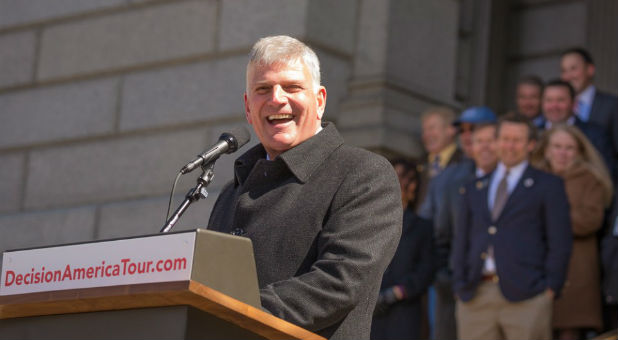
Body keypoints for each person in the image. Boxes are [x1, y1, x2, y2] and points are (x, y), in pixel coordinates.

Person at [207, 35, 403, 340]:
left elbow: (340, 281)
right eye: (263, 89)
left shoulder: (363, 174)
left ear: (320, 101)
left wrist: (232, 312)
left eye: (292, 87)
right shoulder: (232, 190)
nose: (277, 99)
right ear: (248, 107)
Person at [452, 113, 572, 340]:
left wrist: (549, 289)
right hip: (475, 294)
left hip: (528, 296)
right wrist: (459, 284)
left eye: (517, 140)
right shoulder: (474, 187)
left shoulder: (548, 185)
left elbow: (560, 242)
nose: (509, 145)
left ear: (531, 145)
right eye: (505, 138)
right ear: (496, 142)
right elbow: (462, 240)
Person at [418, 107, 498, 340]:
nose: (467, 135)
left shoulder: (510, 177)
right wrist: (443, 275)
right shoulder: (445, 179)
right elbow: (430, 231)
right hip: (450, 282)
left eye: (474, 129)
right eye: (463, 130)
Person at [531, 124, 613, 340]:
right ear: (546, 149)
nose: (562, 153)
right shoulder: (532, 177)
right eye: (557, 146)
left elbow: (590, 220)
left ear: (579, 152)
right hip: (537, 266)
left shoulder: (590, 178)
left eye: (569, 148)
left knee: (570, 330)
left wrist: (547, 218)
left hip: (577, 270)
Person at [371, 159, 435, 340]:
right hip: (369, 313)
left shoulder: (422, 227)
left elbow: (425, 270)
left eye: (398, 177)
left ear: (412, 185)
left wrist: (395, 293)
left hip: (403, 313)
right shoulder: (369, 222)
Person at [560, 47, 618, 180]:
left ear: (590, 70)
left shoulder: (612, 105)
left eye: (573, 69)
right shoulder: (557, 106)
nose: (568, 76)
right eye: (564, 71)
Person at [539, 79, 614, 174]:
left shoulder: (596, 134)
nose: (554, 106)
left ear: (574, 103)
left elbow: (608, 174)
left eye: (560, 100)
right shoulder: (534, 133)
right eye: (549, 100)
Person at [416, 107, 464, 210]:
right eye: (424, 130)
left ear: (451, 130)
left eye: (432, 128)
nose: (426, 135)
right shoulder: (418, 164)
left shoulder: (465, 161)